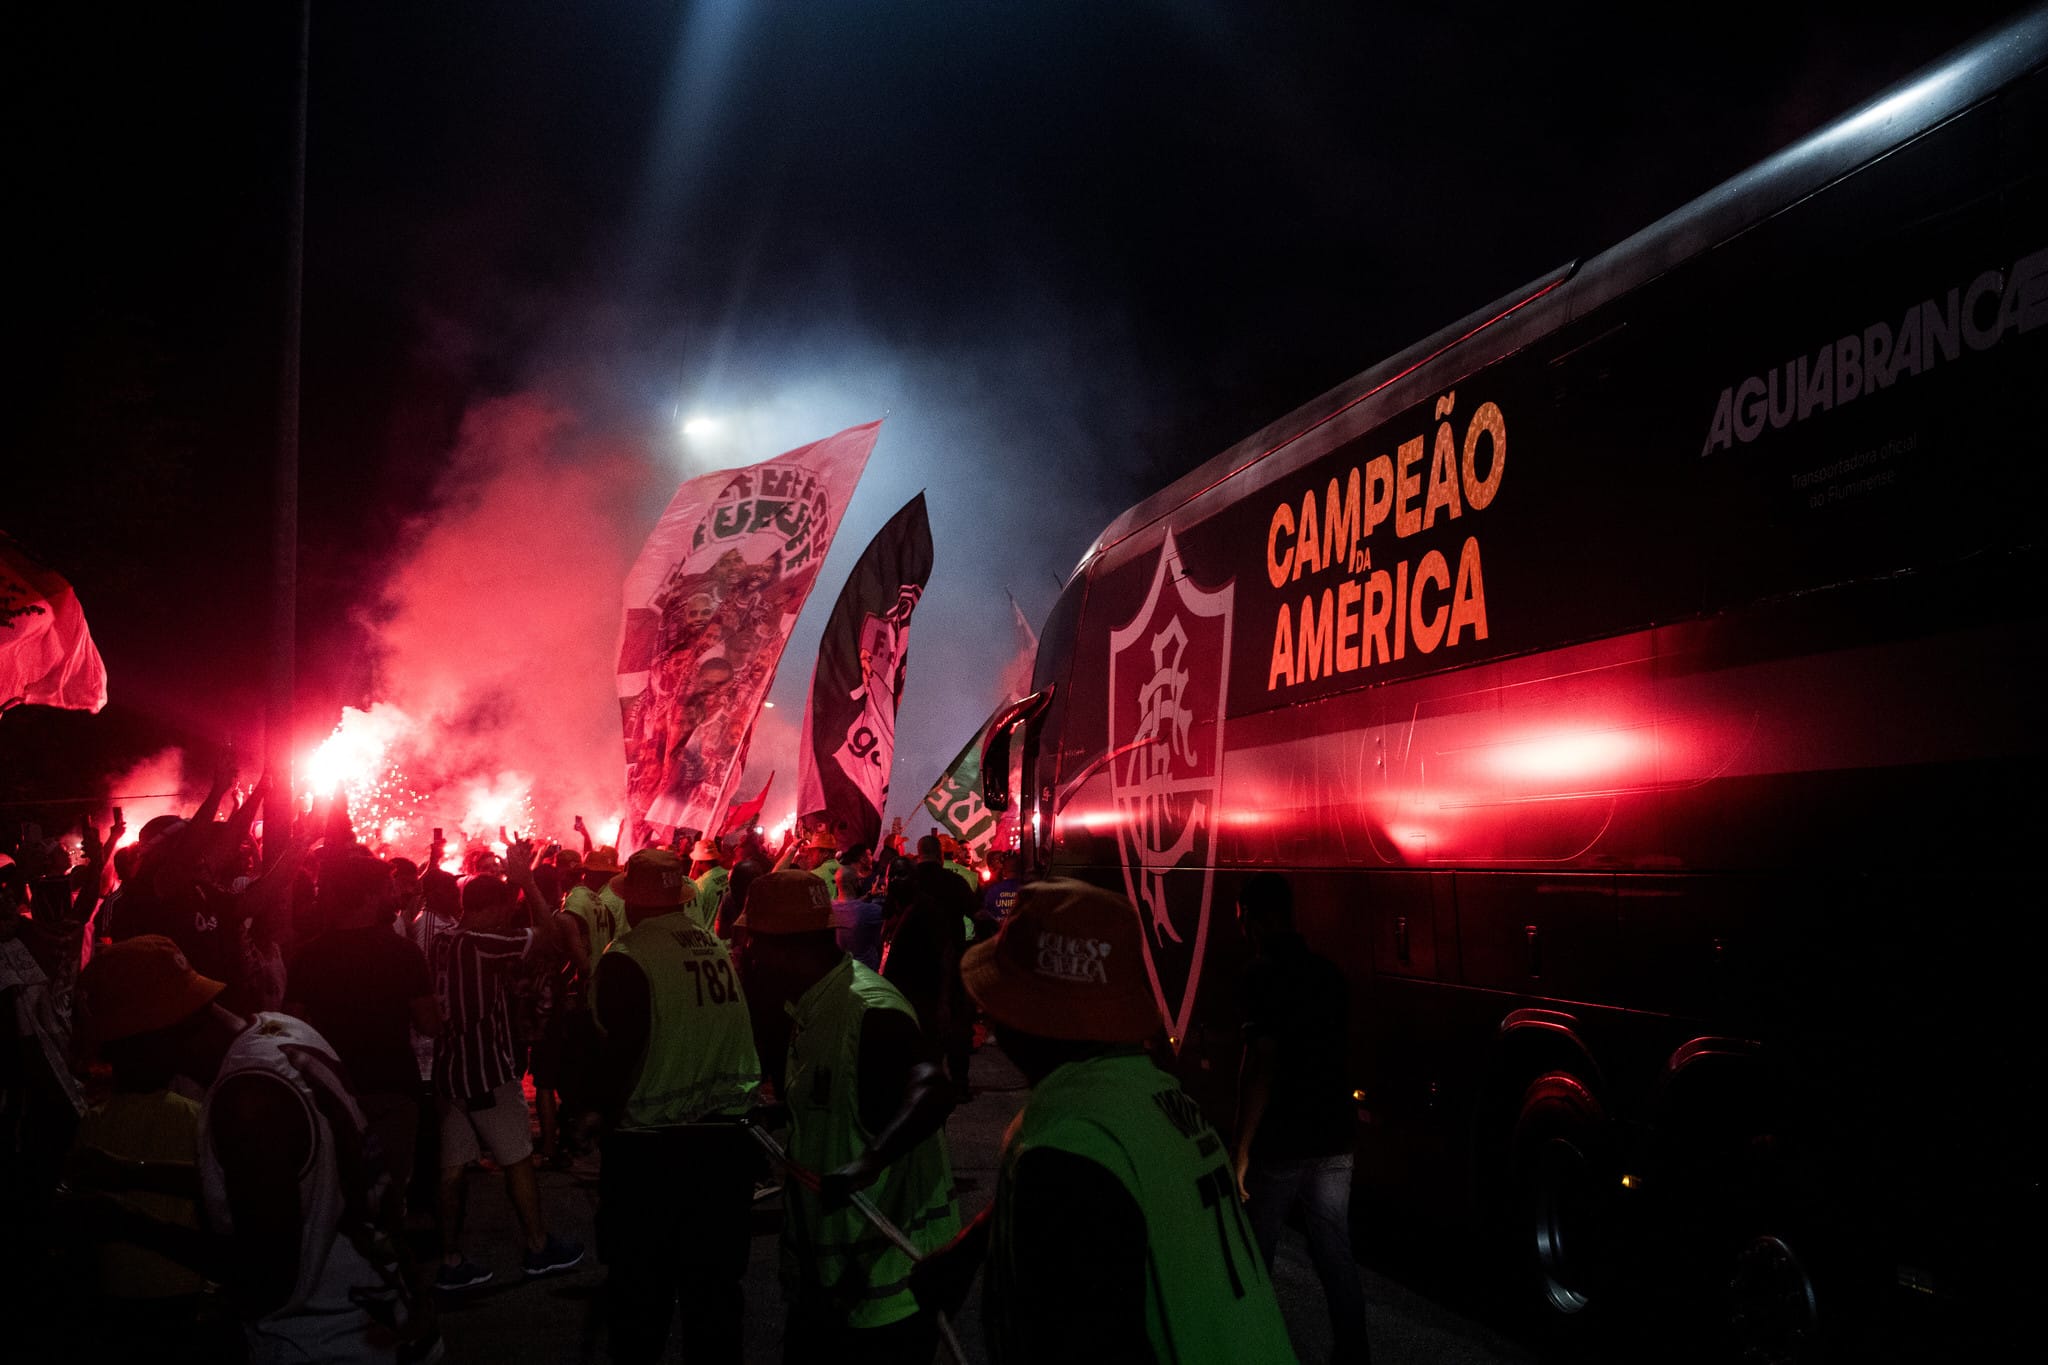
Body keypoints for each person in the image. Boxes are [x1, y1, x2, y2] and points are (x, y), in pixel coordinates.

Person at [917, 878, 1297, 1364]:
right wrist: (974, 1244)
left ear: (1028, 1016)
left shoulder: (1061, 1151)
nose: (984, 1011)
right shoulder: (1145, 1095)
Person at [78, 934, 434, 1364]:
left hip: (328, 1344)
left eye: (118, 1050)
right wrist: (130, 1173)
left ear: (156, 1032)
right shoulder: (278, 1032)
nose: (112, 1069)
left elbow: (264, 1277)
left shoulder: (248, 1101)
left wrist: (129, 1224)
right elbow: (262, 1187)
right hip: (380, 1319)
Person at [737, 870, 960, 1364]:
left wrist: (868, 1163)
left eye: (755, 942)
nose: (748, 953)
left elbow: (932, 1087)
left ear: (787, 945)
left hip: (885, 1293)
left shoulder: (866, 1009)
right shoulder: (816, 1004)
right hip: (835, 1289)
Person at [590, 848, 763, 1364]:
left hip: (651, 1150)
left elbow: (622, 1049)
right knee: (714, 1301)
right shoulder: (708, 943)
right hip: (725, 1143)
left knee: (640, 1302)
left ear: (632, 902)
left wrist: (597, 1113)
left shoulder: (629, 955)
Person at [427, 843, 582, 1290]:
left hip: (450, 1074)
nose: (505, 918)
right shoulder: (480, 944)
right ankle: (538, 1246)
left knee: (452, 1169)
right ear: (490, 908)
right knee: (517, 1159)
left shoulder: (443, 940)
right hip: (487, 1074)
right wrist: (527, 882)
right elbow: (550, 938)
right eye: (502, 909)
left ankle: (451, 1259)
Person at [1235, 872, 1370, 1363]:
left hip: (1283, 1139)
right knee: (1334, 1249)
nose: (1242, 930)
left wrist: (1242, 1149)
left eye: (1243, 920)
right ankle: (1355, 1354)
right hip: (1334, 1135)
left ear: (1256, 921)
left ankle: (1253, 1350)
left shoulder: (1260, 975)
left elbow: (1261, 1066)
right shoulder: (1329, 974)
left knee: (1255, 1252)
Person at [285, 846, 439, 1234]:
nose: (396, 895)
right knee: (388, 1196)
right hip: (391, 1087)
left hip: (331, 1089)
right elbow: (429, 1024)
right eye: (389, 888)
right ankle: (387, 1263)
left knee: (338, 1193)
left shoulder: (309, 955)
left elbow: (293, 1025)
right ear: (369, 896)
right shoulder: (403, 953)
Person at [829, 865, 883, 971]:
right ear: (855, 883)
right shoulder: (870, 911)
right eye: (860, 880)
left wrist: (869, 895)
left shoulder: (829, 908)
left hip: (839, 969)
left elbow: (849, 906)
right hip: (866, 970)